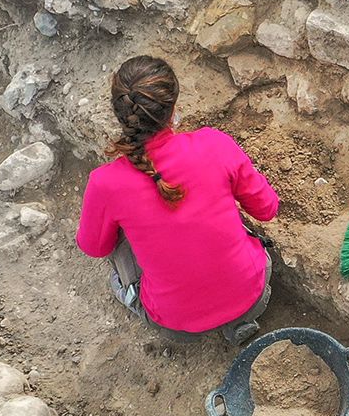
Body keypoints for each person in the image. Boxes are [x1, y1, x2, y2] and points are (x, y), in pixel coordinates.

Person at [75, 56, 280, 345]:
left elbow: (94, 247)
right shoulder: (214, 144)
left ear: (120, 114)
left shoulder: (105, 182)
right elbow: (268, 209)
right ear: (172, 110)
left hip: (177, 325)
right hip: (253, 294)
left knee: (116, 235)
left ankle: (137, 294)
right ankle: (238, 324)